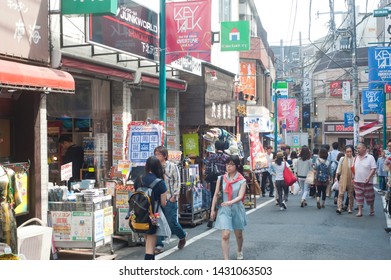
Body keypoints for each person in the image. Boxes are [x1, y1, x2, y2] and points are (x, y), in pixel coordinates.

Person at [210, 155, 247, 260]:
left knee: (238, 234)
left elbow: (240, 196)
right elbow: (216, 194)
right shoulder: (221, 178)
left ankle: (239, 250)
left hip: (237, 209)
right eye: (227, 164)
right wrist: (212, 209)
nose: (228, 166)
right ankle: (226, 260)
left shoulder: (242, 180)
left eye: (231, 164)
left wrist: (231, 201)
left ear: (237, 166)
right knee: (225, 235)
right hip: (224, 209)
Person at [153, 146, 187, 254]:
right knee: (157, 221)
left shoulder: (172, 166)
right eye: (155, 154)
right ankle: (159, 245)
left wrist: (174, 196)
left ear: (165, 156)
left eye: (158, 154)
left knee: (172, 222)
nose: (156, 156)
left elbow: (177, 181)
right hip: (157, 199)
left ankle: (182, 236)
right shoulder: (154, 167)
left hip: (169, 198)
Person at [135, 156, 168, 260]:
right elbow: (163, 203)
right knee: (150, 245)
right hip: (153, 215)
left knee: (147, 242)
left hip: (139, 214)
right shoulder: (160, 183)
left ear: (147, 166)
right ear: (158, 167)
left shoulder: (139, 179)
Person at [204, 140, 230, 228]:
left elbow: (206, 170)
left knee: (214, 198)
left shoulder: (210, 157)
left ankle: (211, 218)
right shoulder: (226, 158)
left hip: (213, 182)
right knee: (224, 199)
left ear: (215, 147)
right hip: (223, 181)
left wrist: (208, 179)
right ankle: (222, 218)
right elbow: (228, 171)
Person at [352, 143, 377, 217]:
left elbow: (373, 168)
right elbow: (353, 168)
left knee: (370, 197)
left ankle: (371, 208)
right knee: (358, 197)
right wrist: (353, 178)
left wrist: (369, 177)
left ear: (364, 148)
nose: (357, 150)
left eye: (359, 148)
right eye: (357, 148)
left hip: (368, 182)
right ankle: (360, 211)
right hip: (357, 181)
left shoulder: (370, 157)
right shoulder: (355, 158)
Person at [335, 145, 355, 214]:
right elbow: (338, 169)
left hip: (351, 179)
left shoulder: (355, 159)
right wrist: (336, 177)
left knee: (350, 194)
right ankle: (339, 208)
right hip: (343, 178)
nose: (349, 153)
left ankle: (350, 208)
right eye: (347, 152)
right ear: (345, 152)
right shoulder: (342, 159)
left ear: (352, 152)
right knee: (341, 194)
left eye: (350, 151)